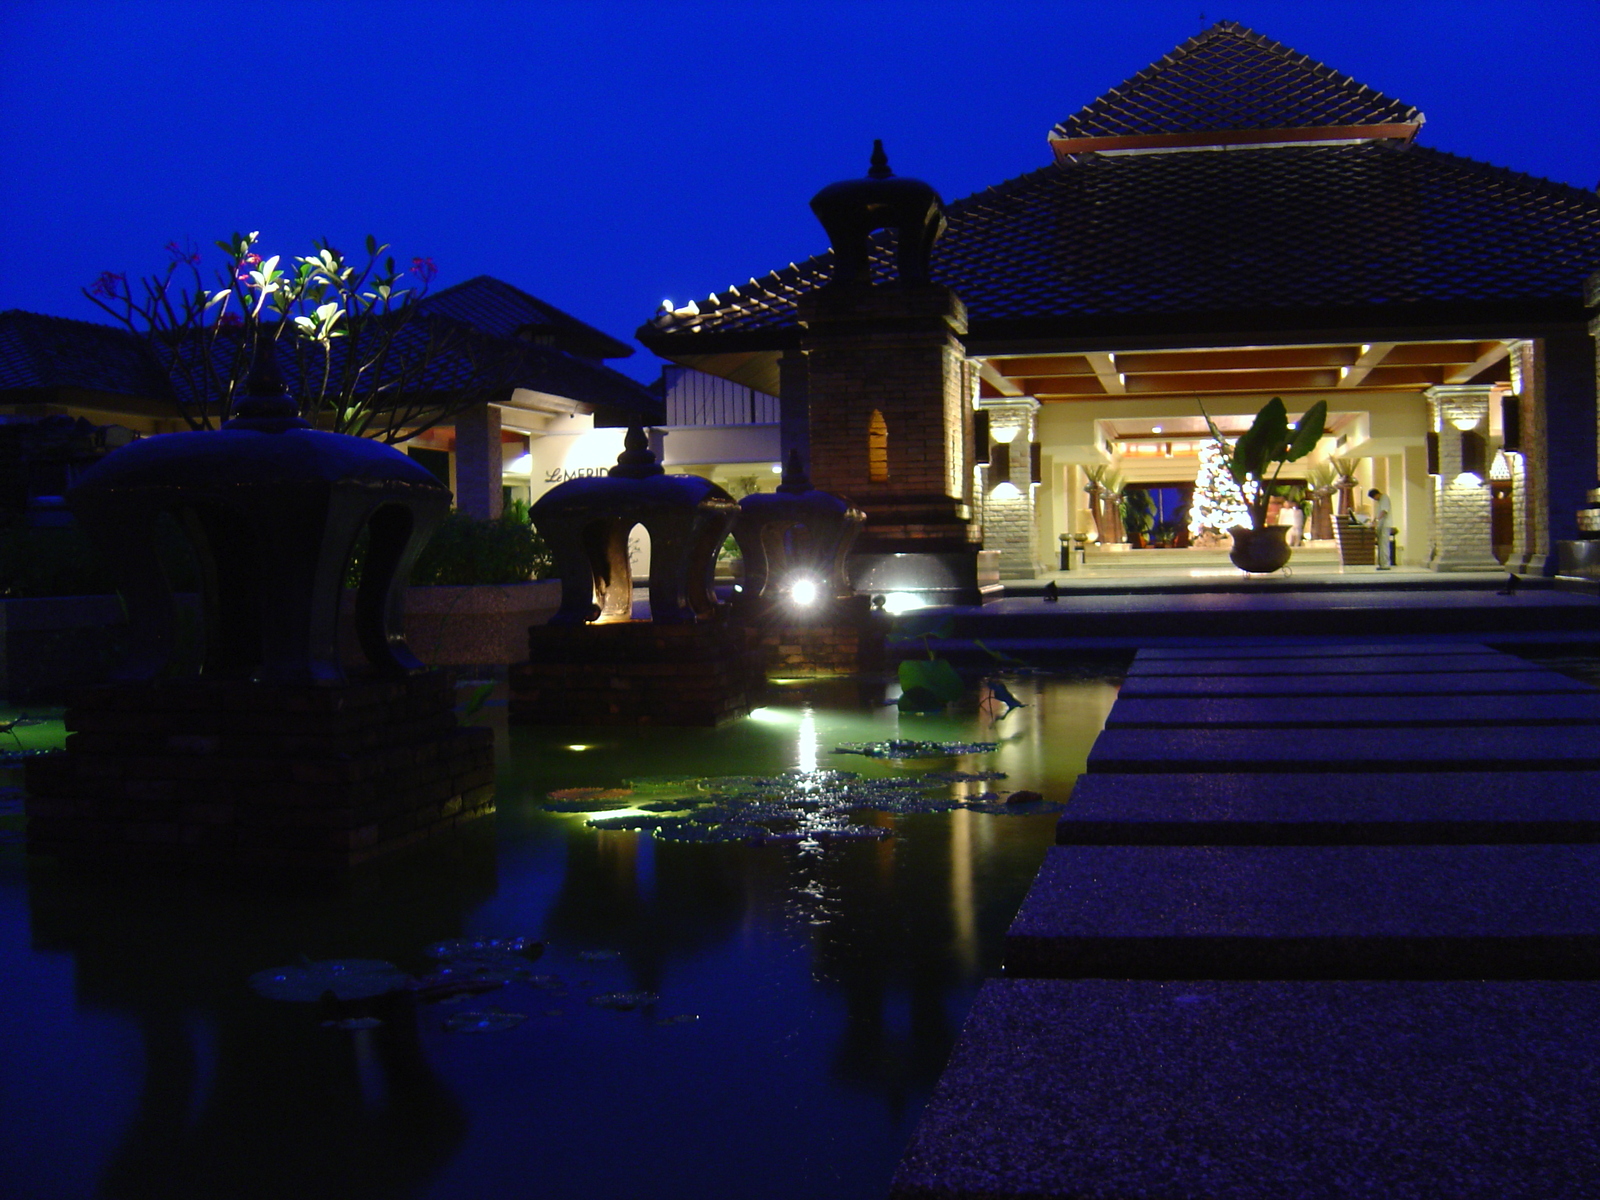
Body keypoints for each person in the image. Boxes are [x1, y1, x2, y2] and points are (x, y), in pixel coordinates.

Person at [1368, 488, 1393, 569]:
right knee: (1381, 545)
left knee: (1384, 545)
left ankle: (1385, 564)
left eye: (1374, 497)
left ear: (1377, 494)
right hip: (1380, 525)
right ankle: (1382, 564)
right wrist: (1374, 521)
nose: (1374, 499)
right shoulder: (1380, 501)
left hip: (1385, 525)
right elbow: (1378, 513)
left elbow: (1384, 511)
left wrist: (1377, 520)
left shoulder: (1384, 498)